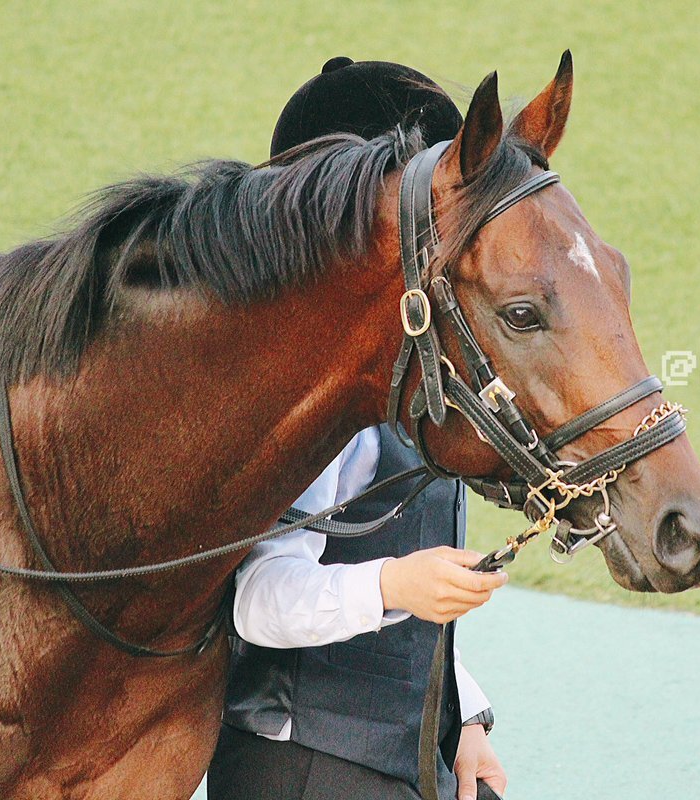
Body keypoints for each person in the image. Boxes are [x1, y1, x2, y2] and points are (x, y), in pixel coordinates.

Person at [204, 59, 510, 800]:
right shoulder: (307, 394)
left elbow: (404, 604)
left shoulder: (410, 384)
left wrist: (460, 717)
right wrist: (395, 583)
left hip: (401, 758)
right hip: (301, 765)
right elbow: (254, 597)